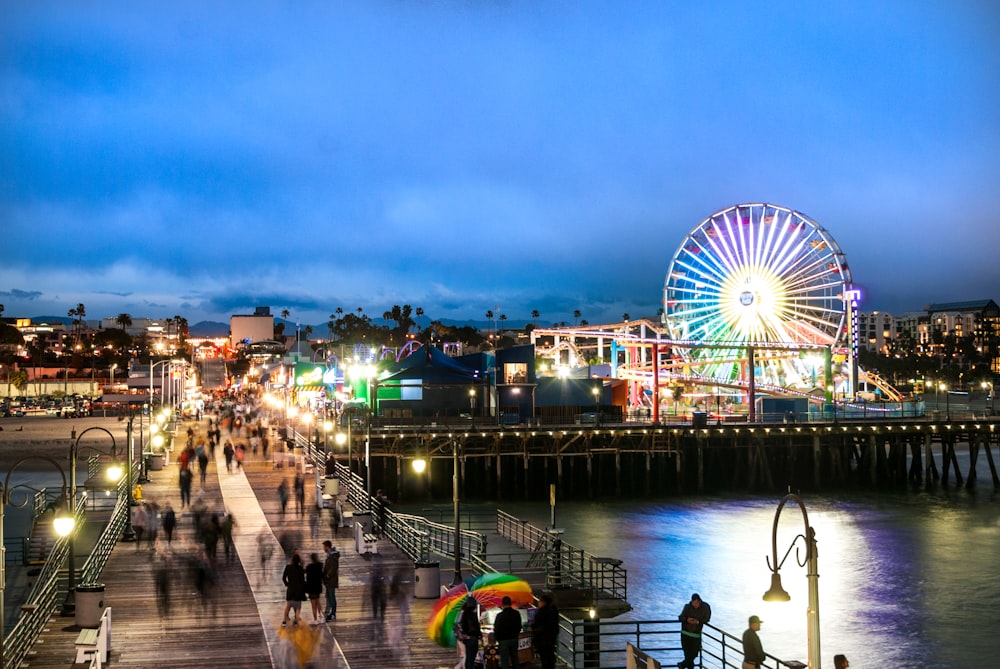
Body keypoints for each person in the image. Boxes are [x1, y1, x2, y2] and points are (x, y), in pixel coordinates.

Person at [678, 592, 711, 669]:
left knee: (694, 654)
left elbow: (707, 619)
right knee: (688, 655)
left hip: (696, 634)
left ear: (699, 601)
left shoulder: (705, 607)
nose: (695, 605)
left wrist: (698, 622)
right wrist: (687, 619)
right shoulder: (687, 607)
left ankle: (682, 665)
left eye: (696, 603)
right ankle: (683, 665)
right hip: (685, 633)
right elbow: (680, 617)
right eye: (693, 603)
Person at [492, 595, 522, 669]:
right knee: (515, 659)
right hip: (514, 639)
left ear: (502, 604)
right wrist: (516, 635)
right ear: (510, 603)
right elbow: (519, 626)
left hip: (503, 641)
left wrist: (498, 639)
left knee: (505, 661)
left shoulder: (500, 616)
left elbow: (496, 628)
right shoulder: (516, 613)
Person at [532, 592, 559, 669]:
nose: (538, 602)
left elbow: (537, 625)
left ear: (544, 602)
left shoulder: (540, 613)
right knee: (550, 657)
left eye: (540, 601)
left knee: (544, 659)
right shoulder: (552, 611)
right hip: (551, 638)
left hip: (542, 640)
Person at [455, 596, 482, 669]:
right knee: (471, 659)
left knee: (468, 659)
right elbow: (476, 628)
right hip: (472, 639)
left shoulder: (464, 613)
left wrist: (464, 636)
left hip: (467, 640)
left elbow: (458, 626)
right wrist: (479, 636)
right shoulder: (472, 615)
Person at [281, 552, 306, 626]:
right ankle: (296, 621)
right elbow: (302, 580)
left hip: (290, 589)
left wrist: (287, 584)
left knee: (288, 606)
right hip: (298, 590)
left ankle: (284, 621)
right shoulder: (300, 569)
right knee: (298, 607)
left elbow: (283, 578)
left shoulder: (288, 567)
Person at [305, 552, 324, 625]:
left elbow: (307, 577)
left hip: (311, 588)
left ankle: (315, 619)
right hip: (318, 587)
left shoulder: (309, 567)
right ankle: (321, 616)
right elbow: (322, 576)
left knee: (313, 605)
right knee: (318, 602)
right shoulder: (319, 566)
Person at [322, 540, 339, 621]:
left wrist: (328, 575)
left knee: (332, 596)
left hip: (331, 580)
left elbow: (333, 568)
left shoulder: (332, 557)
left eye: (324, 547)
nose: (323, 548)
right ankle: (331, 612)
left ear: (327, 547)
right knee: (329, 596)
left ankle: (333, 613)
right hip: (329, 580)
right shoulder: (331, 555)